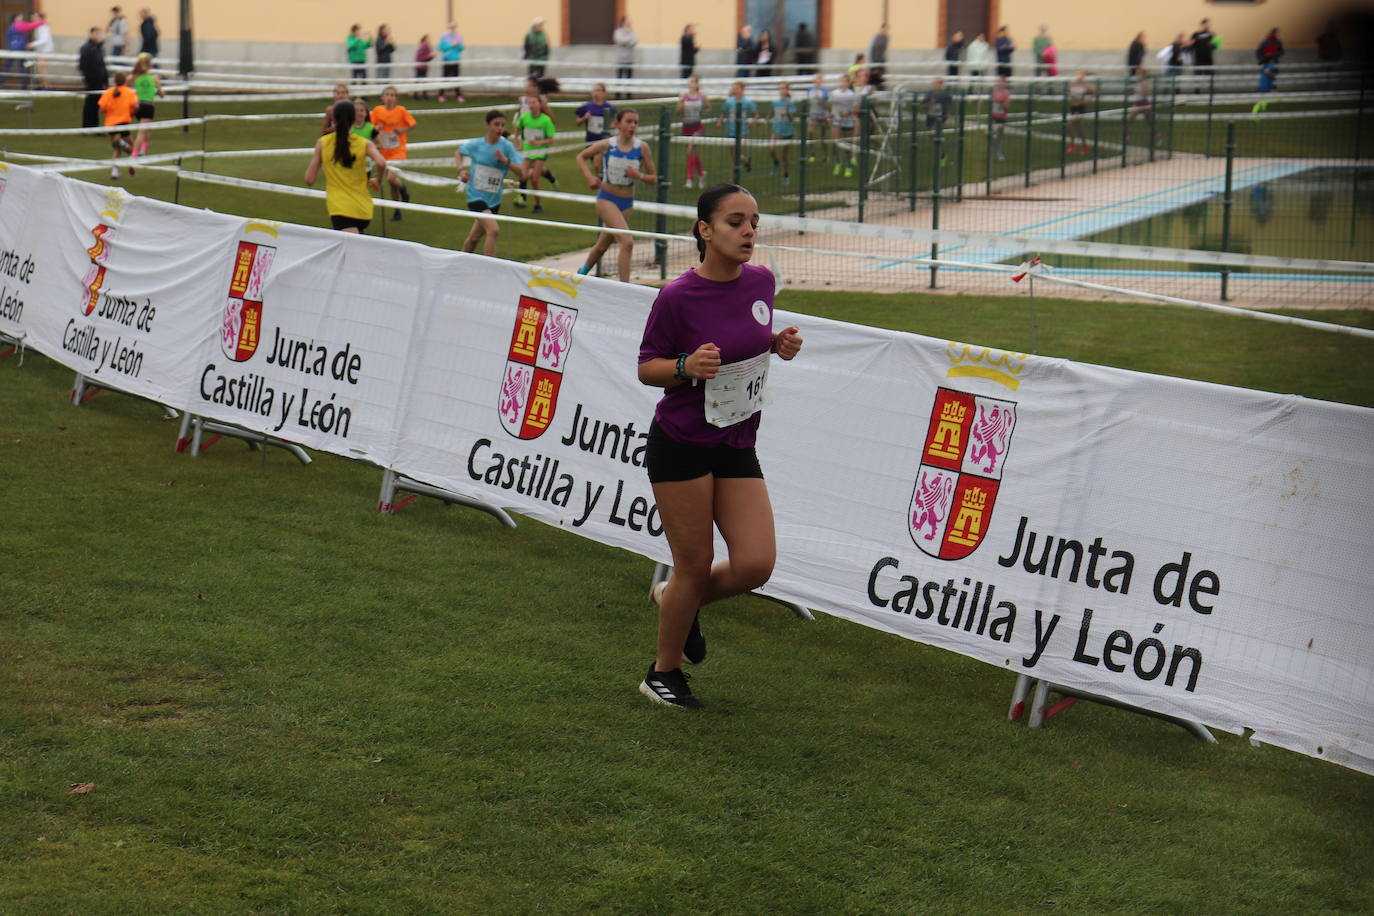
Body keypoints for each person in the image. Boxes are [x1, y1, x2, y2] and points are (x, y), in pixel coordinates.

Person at [635, 182, 803, 709]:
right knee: (695, 562)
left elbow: (747, 342)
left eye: (754, 221)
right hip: (681, 442)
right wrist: (685, 367)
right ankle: (662, 673)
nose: (749, 230)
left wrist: (778, 344)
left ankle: (674, 602)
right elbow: (647, 368)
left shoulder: (761, 282)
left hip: (735, 441)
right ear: (705, 230)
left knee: (756, 563)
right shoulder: (677, 295)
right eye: (735, 221)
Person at [574, 108, 657, 282]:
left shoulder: (642, 148)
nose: (633, 125)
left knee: (603, 245)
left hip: (626, 202)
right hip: (606, 199)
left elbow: (653, 178)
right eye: (628, 121)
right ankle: (625, 288)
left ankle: (580, 275)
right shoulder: (607, 145)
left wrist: (639, 175)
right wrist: (589, 177)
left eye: (635, 122)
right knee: (627, 242)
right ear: (618, 124)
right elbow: (581, 157)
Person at [304, 98, 389, 233]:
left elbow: (309, 179)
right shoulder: (364, 143)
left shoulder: (323, 143)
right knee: (354, 247)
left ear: (334, 119)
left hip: (341, 209)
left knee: (352, 251)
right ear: (354, 120)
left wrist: (321, 161)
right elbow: (381, 162)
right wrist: (378, 180)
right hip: (363, 209)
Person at [457, 109, 527, 256]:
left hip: (494, 200)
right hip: (476, 196)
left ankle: (458, 263)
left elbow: (522, 173)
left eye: (502, 125)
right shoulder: (476, 145)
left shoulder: (506, 147)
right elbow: (459, 152)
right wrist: (461, 170)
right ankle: (490, 271)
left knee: (474, 238)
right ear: (487, 125)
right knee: (493, 231)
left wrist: (505, 161)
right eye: (496, 124)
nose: (500, 128)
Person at [370, 86, 415, 220]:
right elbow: (370, 128)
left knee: (391, 178)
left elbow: (412, 124)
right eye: (387, 95)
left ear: (397, 98)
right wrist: (376, 129)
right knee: (390, 184)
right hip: (383, 151)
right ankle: (397, 210)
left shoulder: (401, 111)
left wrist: (401, 130)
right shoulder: (377, 111)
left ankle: (403, 189)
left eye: (393, 95)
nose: (390, 98)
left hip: (398, 150)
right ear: (382, 98)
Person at [514, 93, 556, 213]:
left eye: (534, 102)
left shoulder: (545, 120)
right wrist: (518, 142)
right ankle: (521, 197)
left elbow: (551, 139)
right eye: (529, 103)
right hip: (527, 152)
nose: (531, 105)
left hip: (540, 153)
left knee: (534, 179)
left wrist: (539, 143)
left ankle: (538, 205)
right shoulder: (524, 117)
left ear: (539, 104)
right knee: (522, 174)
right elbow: (517, 128)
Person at [97, 72, 139, 179]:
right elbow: (136, 106)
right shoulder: (129, 92)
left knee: (117, 149)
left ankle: (114, 171)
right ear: (125, 81)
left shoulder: (108, 92)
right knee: (132, 148)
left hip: (111, 125)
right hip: (123, 123)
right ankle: (130, 161)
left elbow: (101, 109)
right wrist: (131, 113)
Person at [678, 74, 709, 188]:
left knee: (690, 150)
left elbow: (708, 107)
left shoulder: (702, 96)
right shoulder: (684, 96)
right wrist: (681, 102)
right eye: (689, 82)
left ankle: (689, 179)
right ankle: (701, 174)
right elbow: (678, 111)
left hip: (697, 127)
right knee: (693, 153)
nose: (689, 84)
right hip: (686, 126)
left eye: (692, 82)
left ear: (697, 84)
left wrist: (702, 113)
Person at [721, 80, 758, 175]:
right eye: (733, 88)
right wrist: (719, 122)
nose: (734, 90)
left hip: (742, 131)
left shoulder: (747, 101)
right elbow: (724, 112)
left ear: (742, 90)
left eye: (737, 88)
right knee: (733, 155)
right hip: (730, 130)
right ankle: (746, 161)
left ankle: (732, 179)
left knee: (736, 155)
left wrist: (753, 122)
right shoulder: (729, 101)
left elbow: (756, 114)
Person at [129, 52, 162, 158]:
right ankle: (134, 154)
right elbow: (161, 94)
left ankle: (143, 150)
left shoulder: (135, 77)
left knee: (147, 129)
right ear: (150, 65)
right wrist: (157, 90)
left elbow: (123, 84)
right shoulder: (154, 78)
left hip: (138, 106)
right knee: (142, 132)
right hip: (148, 106)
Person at [829, 72, 858, 177]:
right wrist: (832, 114)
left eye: (845, 81)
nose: (843, 83)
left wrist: (848, 112)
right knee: (835, 143)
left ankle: (848, 165)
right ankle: (837, 162)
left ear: (848, 83)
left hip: (848, 121)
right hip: (837, 120)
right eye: (841, 81)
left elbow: (855, 109)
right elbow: (833, 106)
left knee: (847, 145)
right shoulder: (834, 93)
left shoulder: (852, 94)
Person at [80, 28, 109, 129]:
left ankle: (94, 126)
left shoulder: (98, 48)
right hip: (92, 81)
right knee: (90, 104)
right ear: (91, 34)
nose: (100, 36)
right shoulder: (87, 48)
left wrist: (105, 79)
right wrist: (90, 78)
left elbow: (102, 65)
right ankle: (88, 126)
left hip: (99, 81)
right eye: (97, 34)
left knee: (96, 104)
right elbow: (83, 66)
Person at [769, 81, 795, 184]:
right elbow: (772, 112)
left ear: (787, 90)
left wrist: (788, 112)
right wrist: (767, 119)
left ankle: (786, 175)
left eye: (784, 88)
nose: (782, 90)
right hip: (777, 128)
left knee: (785, 155)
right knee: (771, 149)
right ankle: (775, 162)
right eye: (780, 88)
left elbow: (792, 118)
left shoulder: (790, 102)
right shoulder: (776, 102)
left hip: (788, 130)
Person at [1066, 69, 1094, 155]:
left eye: (1081, 74)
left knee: (1069, 124)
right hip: (1073, 107)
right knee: (1079, 128)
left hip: (1080, 107)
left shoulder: (1086, 86)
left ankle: (1073, 144)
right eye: (1077, 74)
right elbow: (1068, 92)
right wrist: (1070, 95)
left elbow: (1093, 92)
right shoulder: (1073, 84)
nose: (1078, 76)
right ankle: (1085, 145)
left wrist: (1086, 100)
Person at [805, 72, 829, 163]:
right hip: (813, 115)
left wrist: (819, 99)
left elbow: (826, 106)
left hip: (822, 115)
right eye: (816, 79)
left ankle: (825, 155)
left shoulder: (825, 91)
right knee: (810, 132)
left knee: (823, 137)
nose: (817, 81)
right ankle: (812, 153)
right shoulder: (810, 90)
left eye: (819, 79)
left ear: (822, 81)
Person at [438, 23, 464, 102]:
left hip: (456, 60)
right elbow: (441, 47)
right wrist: (451, 45)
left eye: (454, 27)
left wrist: (458, 45)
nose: (452, 28)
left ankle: (458, 95)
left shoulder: (458, 36)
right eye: (451, 27)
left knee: (456, 78)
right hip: (447, 59)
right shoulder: (444, 37)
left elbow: (462, 47)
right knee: (444, 77)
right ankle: (441, 95)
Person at [27, 11, 53, 90]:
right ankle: (44, 85)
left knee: (40, 67)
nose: (33, 18)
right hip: (42, 50)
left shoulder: (42, 26)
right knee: (41, 68)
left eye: (35, 17)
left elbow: (44, 39)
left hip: (45, 50)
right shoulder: (39, 26)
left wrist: (32, 44)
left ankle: (46, 86)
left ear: (39, 18)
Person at [613, 16, 637, 95]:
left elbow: (635, 41)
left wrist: (627, 41)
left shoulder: (632, 32)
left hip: (630, 59)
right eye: (627, 21)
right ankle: (618, 95)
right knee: (619, 78)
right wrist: (628, 41)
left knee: (629, 79)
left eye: (629, 22)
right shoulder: (618, 32)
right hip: (620, 59)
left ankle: (628, 95)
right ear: (623, 22)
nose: (628, 23)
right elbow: (620, 40)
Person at [989, 75, 1010, 161]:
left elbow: (1007, 106)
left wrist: (1001, 102)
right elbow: (991, 103)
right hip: (994, 116)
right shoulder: (994, 91)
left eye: (1001, 81)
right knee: (992, 135)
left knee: (999, 136)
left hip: (1001, 116)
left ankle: (999, 153)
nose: (999, 83)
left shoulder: (1006, 92)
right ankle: (996, 151)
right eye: (998, 81)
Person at [868, 23, 889, 89]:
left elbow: (884, 49)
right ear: (881, 29)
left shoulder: (886, 38)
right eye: (884, 29)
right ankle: (872, 89)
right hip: (874, 60)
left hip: (881, 61)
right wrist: (871, 59)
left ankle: (881, 89)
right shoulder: (876, 37)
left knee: (881, 76)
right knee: (874, 76)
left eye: (886, 29)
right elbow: (871, 48)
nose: (885, 30)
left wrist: (884, 57)